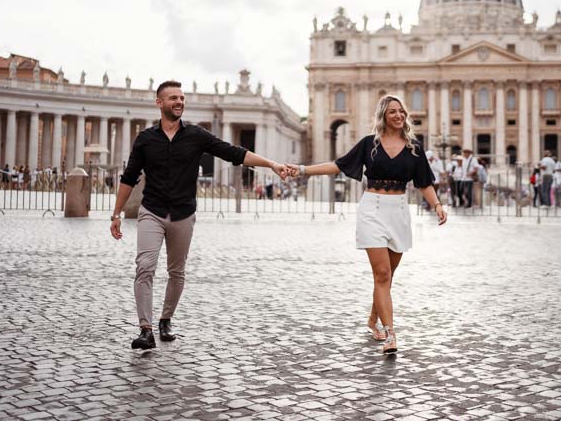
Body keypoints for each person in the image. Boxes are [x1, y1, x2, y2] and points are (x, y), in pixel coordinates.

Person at [111, 80, 291, 350]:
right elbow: (129, 177)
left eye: (182, 98)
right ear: (159, 103)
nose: (179, 102)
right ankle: (145, 329)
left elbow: (234, 153)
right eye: (173, 98)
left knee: (177, 271)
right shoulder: (146, 139)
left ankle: (165, 319)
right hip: (152, 211)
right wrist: (116, 213)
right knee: (145, 267)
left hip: (183, 213)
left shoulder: (196, 135)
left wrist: (271, 164)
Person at [291, 94, 446, 355]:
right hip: (372, 210)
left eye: (401, 111)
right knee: (382, 273)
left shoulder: (414, 147)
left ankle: (373, 320)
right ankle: (390, 334)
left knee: (387, 275)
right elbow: (338, 165)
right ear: (383, 115)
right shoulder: (369, 144)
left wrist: (437, 205)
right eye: (392, 111)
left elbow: (424, 182)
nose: (398, 115)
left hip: (399, 211)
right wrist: (302, 170)